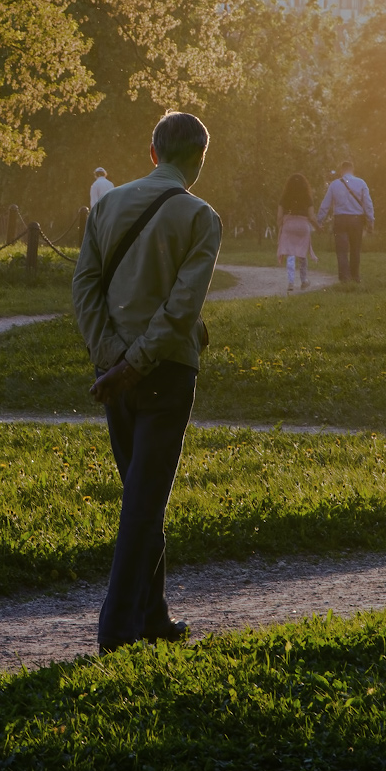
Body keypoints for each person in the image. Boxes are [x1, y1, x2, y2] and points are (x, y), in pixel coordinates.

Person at [71, 112, 220, 655]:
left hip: (112, 375)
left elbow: (83, 286)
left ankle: (153, 616)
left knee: (143, 493)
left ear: (152, 152)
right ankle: (116, 630)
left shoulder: (107, 204)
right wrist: (135, 362)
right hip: (167, 371)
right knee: (143, 502)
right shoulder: (201, 217)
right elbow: (183, 308)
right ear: (200, 157)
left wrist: (111, 358)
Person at [316, 159, 373, 282]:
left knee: (341, 251)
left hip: (340, 220)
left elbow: (325, 204)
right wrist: (370, 221)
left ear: (341, 171)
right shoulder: (361, 183)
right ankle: (355, 276)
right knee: (355, 249)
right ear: (353, 170)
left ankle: (344, 278)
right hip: (356, 220)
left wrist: (319, 221)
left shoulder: (334, 184)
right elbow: (368, 204)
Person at [276, 173, 317, 292]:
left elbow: (279, 216)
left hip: (289, 225)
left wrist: (280, 226)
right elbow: (311, 216)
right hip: (303, 226)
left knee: (290, 254)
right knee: (302, 254)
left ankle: (290, 282)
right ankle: (304, 280)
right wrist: (318, 227)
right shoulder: (307, 197)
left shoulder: (285, 197)